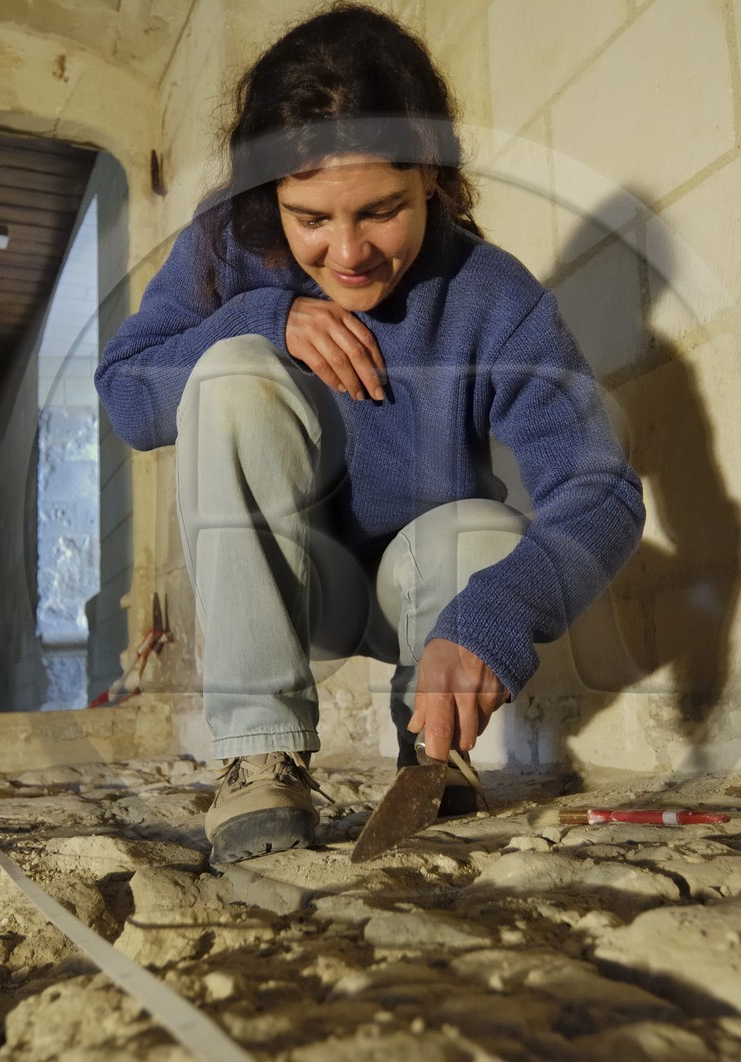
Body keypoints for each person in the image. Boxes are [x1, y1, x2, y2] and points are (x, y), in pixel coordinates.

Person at [95, 4, 644, 863]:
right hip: (286, 583)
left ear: (430, 171)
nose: (347, 253)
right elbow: (129, 401)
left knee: (483, 536)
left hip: (419, 597)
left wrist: (497, 611)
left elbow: (601, 489)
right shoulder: (228, 248)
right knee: (234, 373)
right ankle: (260, 758)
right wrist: (265, 318)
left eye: (380, 210)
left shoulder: (495, 298)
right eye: (310, 217)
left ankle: (427, 751)